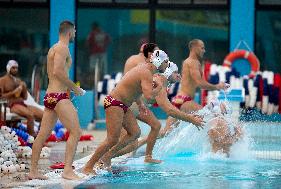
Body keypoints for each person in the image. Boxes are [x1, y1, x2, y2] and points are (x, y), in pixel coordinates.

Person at [82, 50, 169, 175]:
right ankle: (88, 166)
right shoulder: (146, 72)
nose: (167, 65)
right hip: (114, 103)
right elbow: (149, 96)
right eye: (166, 62)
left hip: (123, 104)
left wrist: (140, 104)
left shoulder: (145, 70)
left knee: (135, 132)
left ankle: (108, 156)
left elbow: (133, 88)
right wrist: (160, 87)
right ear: (159, 61)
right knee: (112, 139)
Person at [28, 20, 85, 180]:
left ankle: (33, 171)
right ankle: (67, 170)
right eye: (74, 31)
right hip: (59, 97)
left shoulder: (53, 48)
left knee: (42, 135)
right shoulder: (62, 48)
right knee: (76, 131)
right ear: (69, 32)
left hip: (51, 96)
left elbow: (51, 74)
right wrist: (75, 88)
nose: (75, 34)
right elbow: (58, 71)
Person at [112, 62, 204, 160]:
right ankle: (103, 159)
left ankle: (147, 156)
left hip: (130, 109)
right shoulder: (159, 84)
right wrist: (191, 119)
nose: (178, 75)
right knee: (128, 146)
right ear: (168, 72)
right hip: (122, 111)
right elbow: (169, 110)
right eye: (175, 72)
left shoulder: (158, 79)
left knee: (156, 127)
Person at [162, 39, 229, 135]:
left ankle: (139, 142)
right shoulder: (193, 62)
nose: (204, 50)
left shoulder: (187, 62)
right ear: (194, 48)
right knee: (212, 118)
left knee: (165, 132)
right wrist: (217, 86)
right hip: (185, 101)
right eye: (202, 48)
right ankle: (216, 147)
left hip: (179, 99)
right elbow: (200, 83)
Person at [123, 43, 163, 163]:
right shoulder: (143, 66)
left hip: (134, 101)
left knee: (155, 126)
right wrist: (159, 86)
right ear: (149, 54)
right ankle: (105, 157)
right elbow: (148, 94)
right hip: (130, 103)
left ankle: (148, 157)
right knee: (126, 142)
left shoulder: (133, 60)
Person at [0, 60, 43, 137]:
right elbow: (1, 96)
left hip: (22, 104)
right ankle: (31, 138)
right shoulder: (2, 80)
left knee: (43, 115)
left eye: (16, 68)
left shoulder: (18, 80)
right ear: (8, 68)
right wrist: (14, 92)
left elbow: (25, 97)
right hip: (12, 105)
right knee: (30, 115)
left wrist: (24, 88)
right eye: (13, 68)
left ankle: (40, 138)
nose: (15, 70)